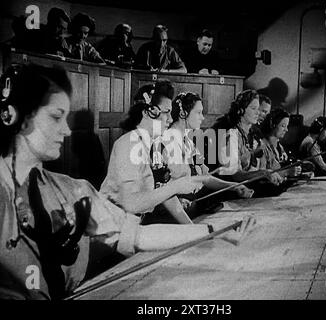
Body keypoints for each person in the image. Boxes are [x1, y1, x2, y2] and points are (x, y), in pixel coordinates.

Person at [0, 64, 249, 300]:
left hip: (105, 244)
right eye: (56, 117)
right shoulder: (130, 144)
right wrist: (179, 193)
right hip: (103, 249)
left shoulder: (73, 189)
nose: (66, 130)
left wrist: (207, 231)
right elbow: (134, 204)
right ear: (12, 115)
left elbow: (139, 233)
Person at [100, 81, 202, 224]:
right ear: (147, 112)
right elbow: (131, 204)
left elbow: (166, 193)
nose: (171, 119)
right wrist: (176, 186)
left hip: (134, 223)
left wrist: (191, 227)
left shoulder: (154, 145)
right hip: (111, 224)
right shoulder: (128, 144)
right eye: (166, 112)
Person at [164, 92, 254, 216]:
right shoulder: (169, 140)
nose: (203, 118)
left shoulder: (188, 139)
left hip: (194, 202)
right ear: (183, 113)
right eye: (198, 112)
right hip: (178, 210)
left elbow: (204, 178)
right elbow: (165, 188)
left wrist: (234, 186)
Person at [207, 90, 285, 189]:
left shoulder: (255, 136)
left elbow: (272, 165)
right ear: (241, 110)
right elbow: (236, 175)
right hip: (235, 192)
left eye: (258, 109)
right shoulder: (231, 136)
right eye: (253, 108)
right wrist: (263, 173)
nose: (258, 113)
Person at [259, 108, 302, 185]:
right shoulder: (262, 147)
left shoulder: (280, 147)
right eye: (283, 126)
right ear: (273, 125)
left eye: (287, 126)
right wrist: (287, 172)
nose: (286, 130)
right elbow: (261, 177)